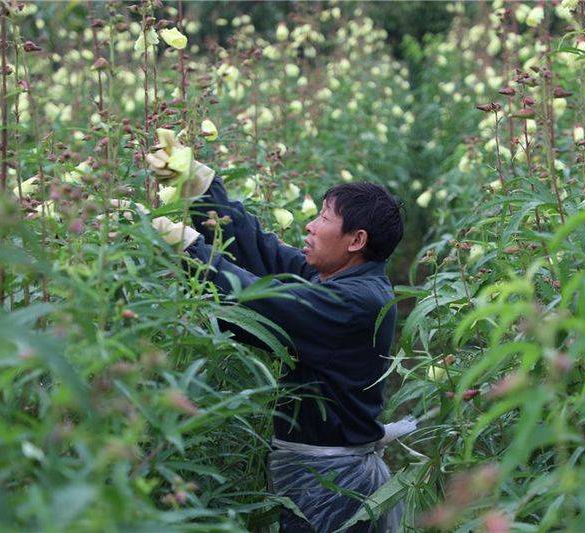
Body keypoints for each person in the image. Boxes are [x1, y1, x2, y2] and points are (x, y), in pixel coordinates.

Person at [150, 130, 408, 532]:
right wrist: (200, 187)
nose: (309, 225)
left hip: (333, 486)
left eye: (323, 218)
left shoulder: (356, 303)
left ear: (356, 240)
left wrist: (190, 250)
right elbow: (265, 254)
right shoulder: (341, 281)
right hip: (318, 471)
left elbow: (261, 300)